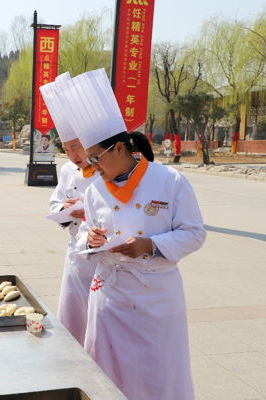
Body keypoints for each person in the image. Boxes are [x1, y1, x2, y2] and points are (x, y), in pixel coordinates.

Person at [57, 68, 205, 400]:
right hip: (110, 298)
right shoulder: (96, 191)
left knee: (157, 374)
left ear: (120, 149)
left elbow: (194, 233)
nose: (93, 167)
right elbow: (85, 237)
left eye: (97, 158)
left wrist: (149, 245)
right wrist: (91, 239)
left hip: (156, 299)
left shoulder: (170, 182)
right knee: (108, 376)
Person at [40, 72, 100, 345]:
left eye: (76, 147)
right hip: (74, 252)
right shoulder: (66, 169)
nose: (73, 155)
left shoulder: (105, 170)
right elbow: (55, 202)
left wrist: (87, 211)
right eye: (66, 149)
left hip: (100, 254)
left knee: (97, 317)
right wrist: (63, 209)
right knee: (72, 313)